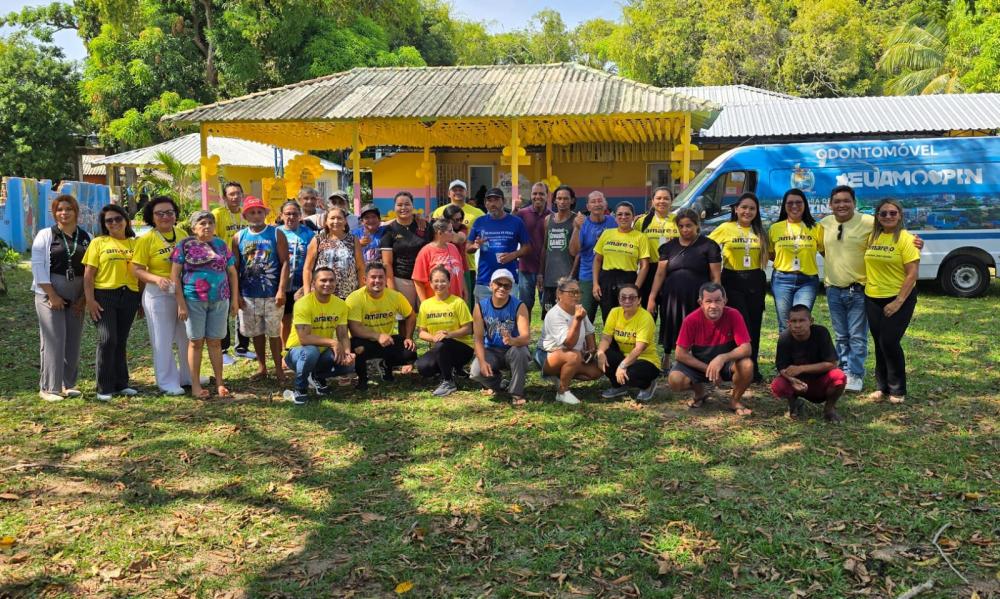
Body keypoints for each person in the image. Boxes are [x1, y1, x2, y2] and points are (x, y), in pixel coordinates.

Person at [172, 210, 239, 399]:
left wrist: (234, 299)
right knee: (196, 342)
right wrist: (181, 304)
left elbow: (232, 272)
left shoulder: (221, 244)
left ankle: (220, 383)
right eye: (202, 223)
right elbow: (175, 276)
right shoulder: (184, 245)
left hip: (220, 299)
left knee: (215, 342)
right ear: (193, 227)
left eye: (210, 223)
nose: (207, 226)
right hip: (193, 300)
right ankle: (195, 386)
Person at [30, 194, 92, 401]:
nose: (64, 213)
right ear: (54, 213)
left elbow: (91, 270)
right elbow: (38, 267)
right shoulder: (46, 235)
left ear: (76, 212)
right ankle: (49, 388)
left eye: (68, 209)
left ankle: (68, 384)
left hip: (77, 293)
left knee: (73, 339)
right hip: (49, 293)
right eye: (59, 209)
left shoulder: (86, 236)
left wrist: (83, 298)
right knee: (54, 338)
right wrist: (52, 295)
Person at [130, 196, 192, 395]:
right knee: (162, 339)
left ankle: (188, 375)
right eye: (160, 213)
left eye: (170, 212)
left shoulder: (182, 234)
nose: (165, 217)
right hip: (159, 294)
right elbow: (136, 269)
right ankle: (167, 382)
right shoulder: (146, 239)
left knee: (187, 336)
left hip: (183, 292)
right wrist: (156, 279)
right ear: (152, 217)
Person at [647, 209, 721, 371]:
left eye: (689, 226)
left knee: (695, 326)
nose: (685, 229)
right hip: (671, 295)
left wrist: (716, 298)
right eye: (681, 226)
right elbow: (660, 274)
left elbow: (715, 276)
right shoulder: (668, 247)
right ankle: (667, 355)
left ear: (697, 226)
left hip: (697, 296)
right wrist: (652, 297)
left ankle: (691, 359)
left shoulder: (708, 246)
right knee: (670, 323)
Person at [667, 283, 754, 416]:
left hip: (726, 364)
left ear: (725, 301)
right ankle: (700, 393)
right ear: (700, 302)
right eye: (708, 301)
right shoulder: (690, 320)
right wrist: (708, 368)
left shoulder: (734, 315)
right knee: (675, 380)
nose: (713, 306)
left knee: (747, 365)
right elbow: (680, 354)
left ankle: (735, 400)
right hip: (700, 363)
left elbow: (746, 348)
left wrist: (722, 358)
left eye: (718, 300)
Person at [864, 198, 920, 404]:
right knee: (879, 343)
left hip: (899, 298)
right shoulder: (872, 237)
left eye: (892, 213)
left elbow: (912, 274)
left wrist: (898, 301)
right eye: (883, 213)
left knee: (889, 341)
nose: (888, 216)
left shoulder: (906, 239)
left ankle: (898, 389)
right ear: (877, 217)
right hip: (872, 297)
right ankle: (882, 387)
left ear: (900, 215)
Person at [709, 192, 768, 382]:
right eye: (744, 207)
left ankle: (752, 368)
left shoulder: (760, 230)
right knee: (738, 325)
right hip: (732, 280)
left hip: (755, 280)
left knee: (754, 325)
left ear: (757, 211)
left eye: (752, 208)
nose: (747, 211)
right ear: (736, 209)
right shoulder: (726, 227)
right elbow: (707, 246)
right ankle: (735, 367)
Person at [82, 204, 140, 401]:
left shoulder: (136, 244)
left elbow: (140, 274)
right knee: (107, 339)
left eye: (118, 218)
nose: (114, 223)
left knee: (121, 341)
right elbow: (88, 275)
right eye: (109, 220)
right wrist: (90, 300)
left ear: (126, 220)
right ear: (104, 224)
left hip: (130, 296)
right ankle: (104, 387)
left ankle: (121, 383)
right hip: (105, 295)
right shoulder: (98, 242)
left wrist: (140, 301)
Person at [232, 196, 289, 382]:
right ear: (245, 215)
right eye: (252, 212)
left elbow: (285, 262)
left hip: (272, 294)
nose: (256, 215)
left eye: (259, 212)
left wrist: (281, 289)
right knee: (256, 333)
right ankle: (262, 367)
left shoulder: (276, 234)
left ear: (265, 213)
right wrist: (237, 294)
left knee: (274, 333)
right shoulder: (239, 237)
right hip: (248, 295)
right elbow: (235, 268)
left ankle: (279, 368)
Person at [282, 266, 355, 405]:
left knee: (349, 365)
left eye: (331, 280)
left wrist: (347, 354)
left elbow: (343, 335)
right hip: (297, 352)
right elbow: (304, 338)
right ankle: (300, 389)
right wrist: (333, 343)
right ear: (313, 283)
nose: (328, 284)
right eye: (323, 280)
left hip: (321, 352)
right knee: (311, 351)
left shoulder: (340, 304)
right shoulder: (303, 304)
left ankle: (317, 377)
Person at [346, 262, 418, 391]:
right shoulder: (355, 298)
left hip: (387, 340)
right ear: (364, 279)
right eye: (373, 277)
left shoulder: (395, 296)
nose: (377, 281)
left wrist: (408, 337)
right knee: (358, 348)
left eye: (381, 277)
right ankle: (362, 379)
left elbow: (411, 315)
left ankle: (386, 365)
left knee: (410, 352)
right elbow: (354, 328)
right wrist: (377, 335)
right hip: (363, 340)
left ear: (386, 279)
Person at [771, 305, 846, 422]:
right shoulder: (784, 337)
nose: (797, 325)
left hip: (820, 381)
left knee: (839, 376)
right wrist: (792, 380)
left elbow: (832, 363)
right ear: (788, 323)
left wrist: (801, 368)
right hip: (796, 383)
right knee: (778, 385)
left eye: (802, 320)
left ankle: (829, 409)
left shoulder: (821, 332)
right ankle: (794, 405)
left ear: (811, 321)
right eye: (794, 321)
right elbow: (781, 367)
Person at [537, 277, 603, 405]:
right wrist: (577, 320)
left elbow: (589, 331)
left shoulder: (579, 309)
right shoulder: (554, 314)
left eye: (579, 292)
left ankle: (560, 375)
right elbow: (568, 344)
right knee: (573, 355)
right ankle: (562, 392)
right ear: (559, 294)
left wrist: (591, 350)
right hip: (547, 355)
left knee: (596, 371)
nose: (576, 296)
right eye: (572, 292)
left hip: (573, 355)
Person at [470, 269, 532, 406]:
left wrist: (513, 340)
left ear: (511, 288)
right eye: (498, 283)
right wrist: (481, 361)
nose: (502, 288)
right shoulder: (480, 307)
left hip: (513, 350)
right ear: (491, 285)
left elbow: (526, 338)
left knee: (520, 352)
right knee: (475, 371)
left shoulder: (519, 306)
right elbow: (478, 339)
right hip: (491, 350)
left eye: (507, 285)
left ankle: (517, 392)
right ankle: (498, 383)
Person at [769, 188, 824, 333]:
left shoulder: (816, 227)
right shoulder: (775, 228)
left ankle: (803, 356)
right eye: (790, 203)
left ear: (805, 204)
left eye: (798, 202)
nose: (794, 206)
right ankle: (785, 356)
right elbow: (770, 253)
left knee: (802, 324)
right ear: (784, 206)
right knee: (785, 325)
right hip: (782, 280)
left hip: (807, 281)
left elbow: (825, 252)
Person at [414, 266, 475, 397]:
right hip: (439, 346)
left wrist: (449, 334)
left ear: (449, 282)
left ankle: (448, 381)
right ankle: (450, 369)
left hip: (462, 348)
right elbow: (421, 332)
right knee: (423, 367)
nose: (439, 284)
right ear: (430, 283)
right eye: (435, 281)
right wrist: (434, 338)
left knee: (443, 344)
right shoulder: (425, 305)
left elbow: (468, 329)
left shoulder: (458, 302)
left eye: (443, 281)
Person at [596, 284, 661, 402]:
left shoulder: (645, 318)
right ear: (619, 299)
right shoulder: (614, 312)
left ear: (639, 300)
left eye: (632, 297)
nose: (627, 300)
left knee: (631, 374)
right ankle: (618, 387)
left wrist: (622, 366)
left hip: (646, 360)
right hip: (625, 356)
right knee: (605, 356)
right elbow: (606, 338)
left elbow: (639, 349)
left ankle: (648, 386)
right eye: (623, 297)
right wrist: (600, 353)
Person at [467, 187, 532, 303]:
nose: (493, 204)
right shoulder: (479, 222)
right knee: (483, 317)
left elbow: (527, 247)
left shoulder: (516, 222)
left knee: (508, 318)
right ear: (485, 204)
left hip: (508, 281)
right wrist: (475, 246)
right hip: (484, 281)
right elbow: (468, 248)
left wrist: (513, 255)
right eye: (489, 200)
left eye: (496, 200)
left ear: (504, 202)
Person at [212, 181, 253, 363]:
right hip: (224, 269)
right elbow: (211, 240)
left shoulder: (247, 214)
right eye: (231, 194)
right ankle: (222, 350)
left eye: (238, 193)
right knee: (224, 308)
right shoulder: (218, 214)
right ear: (224, 197)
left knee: (243, 306)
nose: (235, 197)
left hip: (246, 268)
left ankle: (242, 347)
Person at [593, 201, 650, 323]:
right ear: (615, 217)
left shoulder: (640, 237)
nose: (623, 217)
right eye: (620, 214)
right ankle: (610, 342)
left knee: (627, 317)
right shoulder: (607, 234)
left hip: (628, 279)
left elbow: (644, 266)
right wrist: (595, 284)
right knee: (608, 317)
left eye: (627, 214)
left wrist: (635, 288)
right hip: (607, 279)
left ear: (633, 217)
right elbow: (597, 260)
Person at [433, 180, 484, 308]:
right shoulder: (439, 211)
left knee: (466, 301)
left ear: (466, 192)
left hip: (468, 264)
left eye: (461, 190)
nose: (457, 192)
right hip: (441, 266)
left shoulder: (477, 213)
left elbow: (460, 238)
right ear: (449, 193)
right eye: (454, 190)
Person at [569, 191, 615, 323]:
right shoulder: (583, 224)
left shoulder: (613, 222)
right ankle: (586, 344)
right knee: (585, 318)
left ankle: (609, 344)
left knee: (611, 317)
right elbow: (573, 251)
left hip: (608, 276)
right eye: (593, 202)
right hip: (587, 276)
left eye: (600, 201)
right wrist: (577, 229)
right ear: (588, 207)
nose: (597, 204)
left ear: (605, 204)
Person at [380, 191, 430, 311]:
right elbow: (387, 263)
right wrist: (392, 289)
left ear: (413, 206)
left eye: (407, 204)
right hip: (402, 281)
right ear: (394, 207)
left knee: (429, 314)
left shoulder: (424, 226)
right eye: (399, 205)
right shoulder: (389, 231)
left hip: (426, 280)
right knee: (406, 318)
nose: (403, 208)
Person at [303, 206, 364, 300]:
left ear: (345, 221)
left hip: (349, 296)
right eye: (332, 218)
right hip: (322, 295)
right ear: (326, 222)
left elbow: (360, 268)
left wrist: (362, 292)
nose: (336, 221)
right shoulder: (318, 239)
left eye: (339, 218)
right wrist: (307, 294)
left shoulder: (353, 239)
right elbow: (307, 268)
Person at [277, 200, 315, 344]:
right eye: (287, 214)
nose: (291, 217)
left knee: (304, 318)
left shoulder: (308, 234)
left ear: (300, 216)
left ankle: (304, 346)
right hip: (282, 284)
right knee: (285, 319)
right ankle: (284, 351)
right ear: (281, 215)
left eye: (294, 214)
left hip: (302, 284)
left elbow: (314, 259)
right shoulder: (276, 232)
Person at [635, 186, 678, 311]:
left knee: (668, 311)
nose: (662, 201)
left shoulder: (678, 220)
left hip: (671, 271)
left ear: (672, 201)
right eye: (658, 198)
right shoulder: (642, 222)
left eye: (666, 198)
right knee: (647, 311)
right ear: (652, 201)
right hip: (649, 270)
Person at [539, 185, 578, 317]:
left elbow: (578, 252)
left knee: (568, 318)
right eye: (559, 198)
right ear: (554, 200)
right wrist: (540, 273)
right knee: (549, 318)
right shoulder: (548, 220)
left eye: (566, 199)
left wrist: (571, 276)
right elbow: (545, 247)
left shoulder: (576, 220)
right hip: (550, 278)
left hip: (567, 279)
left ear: (572, 200)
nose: (562, 202)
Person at [515, 182, 551, 317]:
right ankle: (524, 336)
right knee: (524, 306)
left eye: (541, 193)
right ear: (530, 195)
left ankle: (549, 337)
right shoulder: (522, 214)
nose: (538, 197)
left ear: (547, 196)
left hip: (547, 269)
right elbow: (513, 233)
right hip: (526, 268)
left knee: (548, 307)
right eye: (535, 193)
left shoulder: (552, 216)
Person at [412, 218, 466, 302]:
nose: (453, 234)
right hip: (436, 303)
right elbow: (418, 280)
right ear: (440, 233)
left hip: (455, 301)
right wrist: (424, 303)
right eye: (450, 231)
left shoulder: (453, 248)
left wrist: (465, 292)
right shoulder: (426, 251)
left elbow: (460, 272)